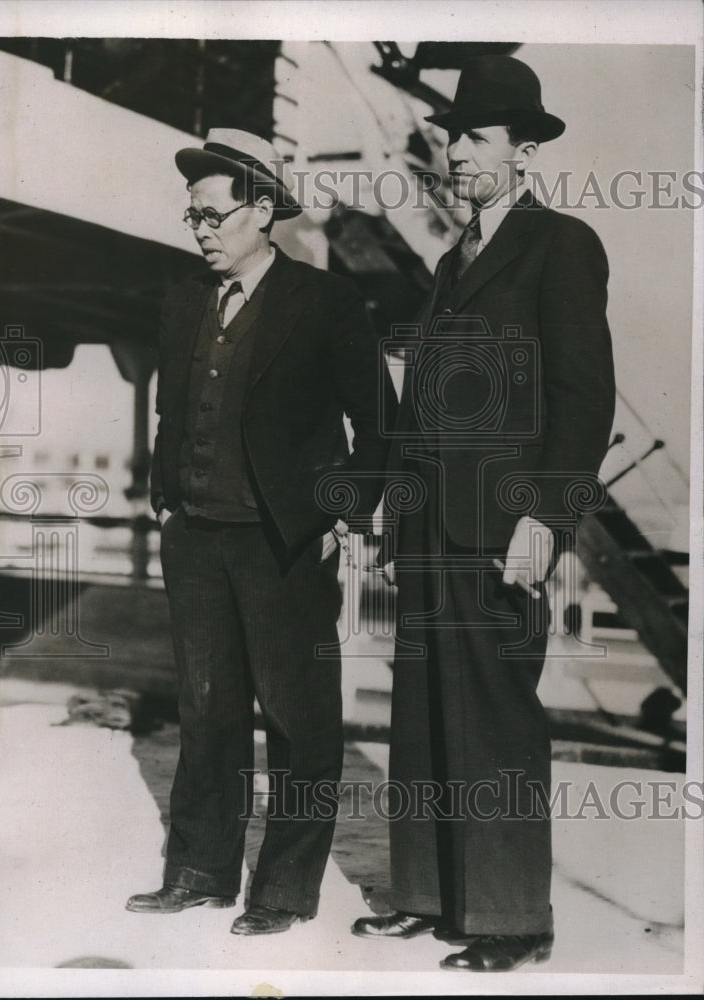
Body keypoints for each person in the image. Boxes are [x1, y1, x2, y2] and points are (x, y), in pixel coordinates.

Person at [352, 55, 615, 971]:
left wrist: (545, 518)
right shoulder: (452, 258)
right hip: (431, 525)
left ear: (523, 149)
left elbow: (583, 398)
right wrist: (393, 515)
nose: (454, 151)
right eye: (452, 136)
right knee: (421, 711)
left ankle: (509, 919)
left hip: (501, 524)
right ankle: (427, 893)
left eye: (474, 136)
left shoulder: (560, 245)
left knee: (496, 713)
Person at [127, 128, 396, 935]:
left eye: (213, 215)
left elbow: (376, 421)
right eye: (193, 218)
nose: (202, 230)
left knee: (295, 717)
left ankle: (280, 890)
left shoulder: (327, 302)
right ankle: (199, 872)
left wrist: (346, 514)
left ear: (264, 210)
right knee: (205, 710)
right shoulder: (182, 301)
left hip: (283, 541)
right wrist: (165, 496)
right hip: (197, 536)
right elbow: (173, 408)